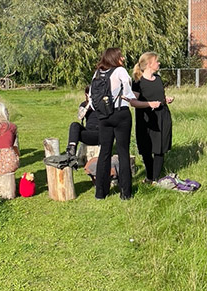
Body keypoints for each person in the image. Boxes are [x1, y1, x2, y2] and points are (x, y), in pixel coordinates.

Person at [90, 47, 160, 200]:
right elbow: (128, 94)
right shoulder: (120, 71)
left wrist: (101, 111)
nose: (123, 59)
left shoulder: (97, 73)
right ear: (115, 58)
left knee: (104, 153)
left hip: (103, 116)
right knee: (123, 152)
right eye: (121, 57)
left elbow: (91, 98)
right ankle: (125, 193)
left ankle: (101, 192)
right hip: (120, 114)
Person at [132, 52, 174, 184]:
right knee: (146, 149)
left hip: (162, 116)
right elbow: (133, 102)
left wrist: (165, 99)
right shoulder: (138, 83)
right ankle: (150, 175)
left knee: (160, 148)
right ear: (149, 64)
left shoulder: (158, 79)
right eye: (157, 61)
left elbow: (159, 96)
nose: (159, 63)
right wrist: (148, 104)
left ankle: (154, 179)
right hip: (146, 119)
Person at [65, 86, 100, 158]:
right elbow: (80, 117)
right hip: (88, 133)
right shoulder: (84, 104)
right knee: (74, 125)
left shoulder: (102, 104)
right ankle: (71, 150)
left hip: (100, 134)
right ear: (87, 95)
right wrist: (88, 105)